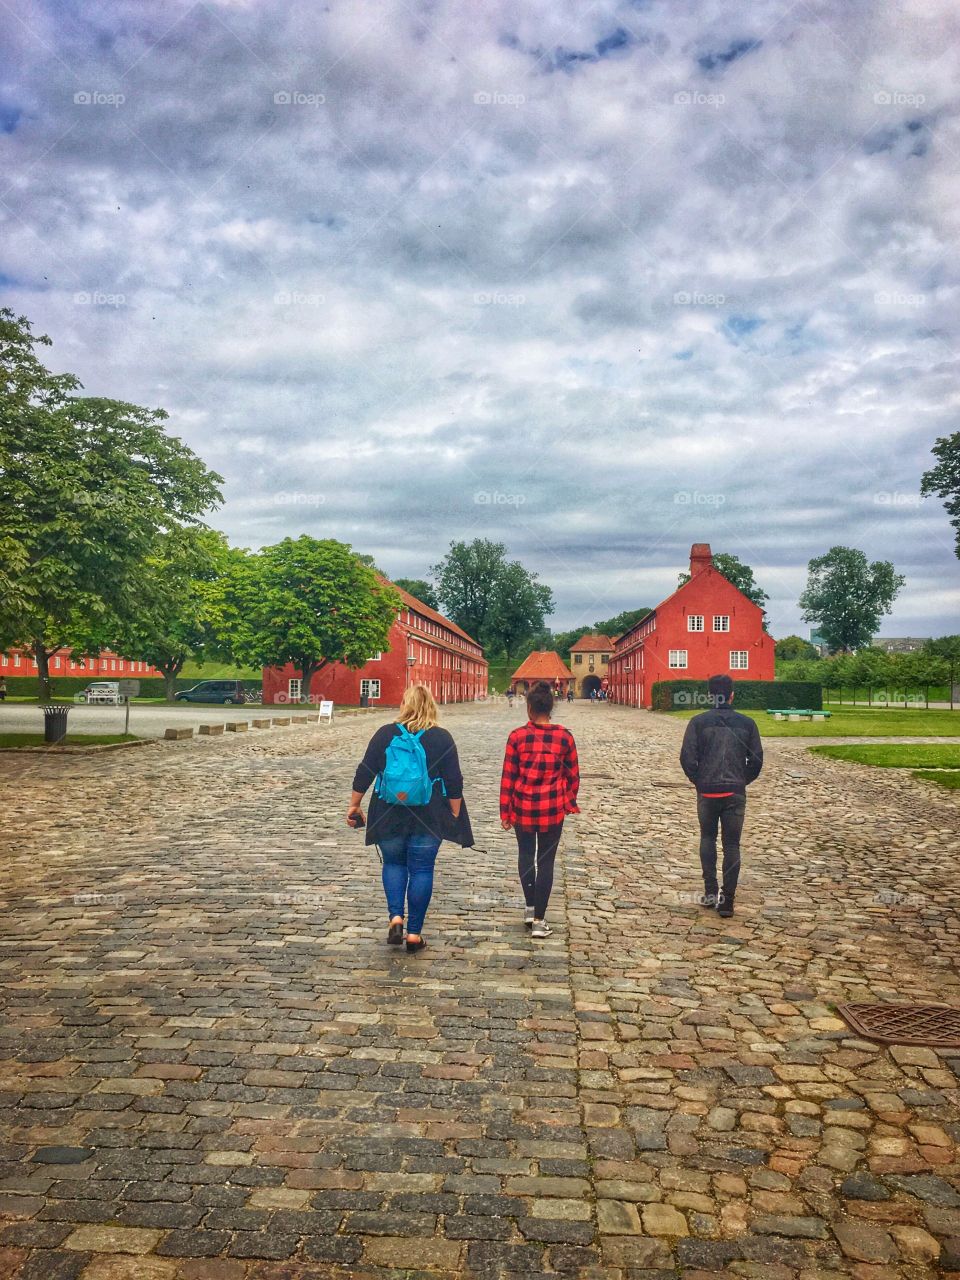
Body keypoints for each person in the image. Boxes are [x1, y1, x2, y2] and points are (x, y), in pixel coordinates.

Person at [347, 684, 472, 952]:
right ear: (431, 705)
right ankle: (414, 934)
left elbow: (365, 771)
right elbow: (454, 780)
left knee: (393, 864)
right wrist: (454, 812)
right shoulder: (442, 737)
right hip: (429, 815)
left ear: (404, 704)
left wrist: (354, 806)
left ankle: (395, 918)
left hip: (388, 813)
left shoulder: (385, 734)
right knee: (422, 869)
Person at [499, 682, 580, 939]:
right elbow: (573, 776)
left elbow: (508, 777)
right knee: (546, 862)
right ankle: (539, 920)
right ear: (551, 707)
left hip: (523, 807)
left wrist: (506, 811)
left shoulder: (517, 737)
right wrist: (568, 800)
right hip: (552, 808)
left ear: (530, 708)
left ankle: (529, 907)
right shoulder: (565, 737)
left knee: (525, 856)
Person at [679, 674, 763, 918]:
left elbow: (687, 758)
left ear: (710, 695)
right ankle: (727, 900)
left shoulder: (698, 722)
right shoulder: (747, 724)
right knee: (732, 844)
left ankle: (710, 891)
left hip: (707, 790)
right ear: (732, 695)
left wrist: (699, 779)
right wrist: (742, 780)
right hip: (734, 791)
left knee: (707, 837)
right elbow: (756, 760)